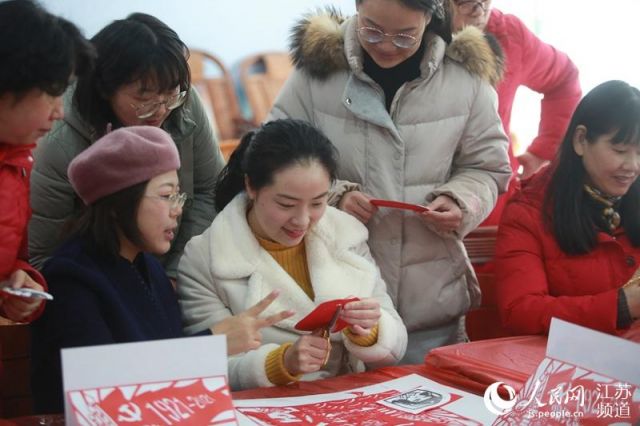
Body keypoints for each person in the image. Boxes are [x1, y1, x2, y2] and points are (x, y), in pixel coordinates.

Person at [268, 0, 511, 363]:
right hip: (335, 305)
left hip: (427, 304)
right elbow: (274, 155)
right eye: (372, 29)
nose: (385, 45)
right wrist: (333, 197)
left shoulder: (465, 78)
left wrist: (461, 202)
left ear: (431, 18)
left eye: (405, 36)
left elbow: (488, 167)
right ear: (357, 7)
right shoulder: (318, 71)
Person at [30, 126, 292, 413]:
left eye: (178, 197)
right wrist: (214, 343)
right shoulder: (70, 279)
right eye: (167, 196)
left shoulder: (149, 267)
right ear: (119, 204)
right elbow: (101, 389)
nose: (177, 210)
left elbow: (167, 368)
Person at [178, 119, 408, 390]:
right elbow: (208, 365)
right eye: (286, 204)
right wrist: (280, 363)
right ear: (251, 186)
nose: (302, 220)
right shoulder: (206, 257)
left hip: (353, 400)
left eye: (317, 203)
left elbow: (397, 341)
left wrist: (370, 332)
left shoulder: (346, 234)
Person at [29, 12, 225, 280]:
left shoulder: (184, 105)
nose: (162, 109)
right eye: (143, 99)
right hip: (97, 281)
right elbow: (43, 254)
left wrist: (173, 275)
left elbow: (209, 189)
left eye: (171, 94)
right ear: (104, 88)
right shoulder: (59, 142)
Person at [495, 80, 640, 336]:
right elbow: (520, 311)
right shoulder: (529, 212)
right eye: (620, 151)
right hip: (565, 367)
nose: (632, 166)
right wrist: (622, 305)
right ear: (581, 140)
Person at [0, 0, 93, 323]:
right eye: (52, 92)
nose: (60, 111)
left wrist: (18, 284)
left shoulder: (16, 164)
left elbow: (13, 259)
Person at [450, 0, 582, 225]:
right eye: (467, 3)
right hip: (416, 206)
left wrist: (542, 151)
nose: (480, 12)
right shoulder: (406, 30)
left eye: (485, 2)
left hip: (492, 207)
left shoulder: (509, 35)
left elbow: (564, 79)